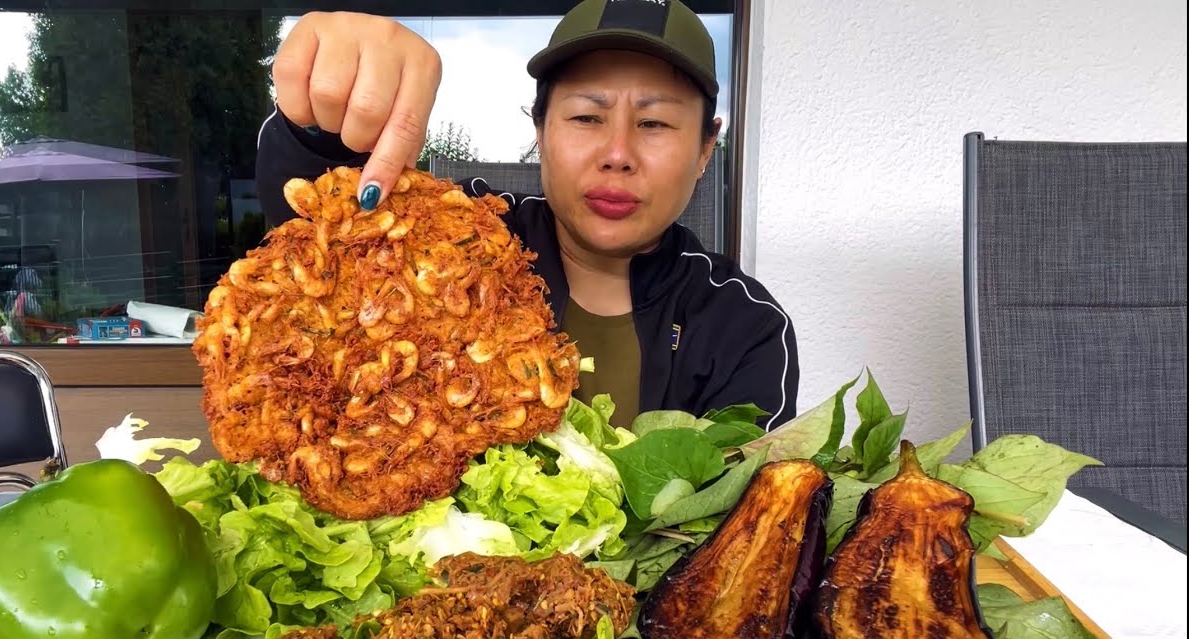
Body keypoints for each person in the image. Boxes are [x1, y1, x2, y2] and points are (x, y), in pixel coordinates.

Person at [255, 0, 798, 430]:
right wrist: (321, 128)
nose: (617, 152)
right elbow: (322, 243)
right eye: (587, 116)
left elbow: (737, 534)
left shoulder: (744, 325)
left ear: (707, 148)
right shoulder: (466, 241)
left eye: (654, 124)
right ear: (539, 131)